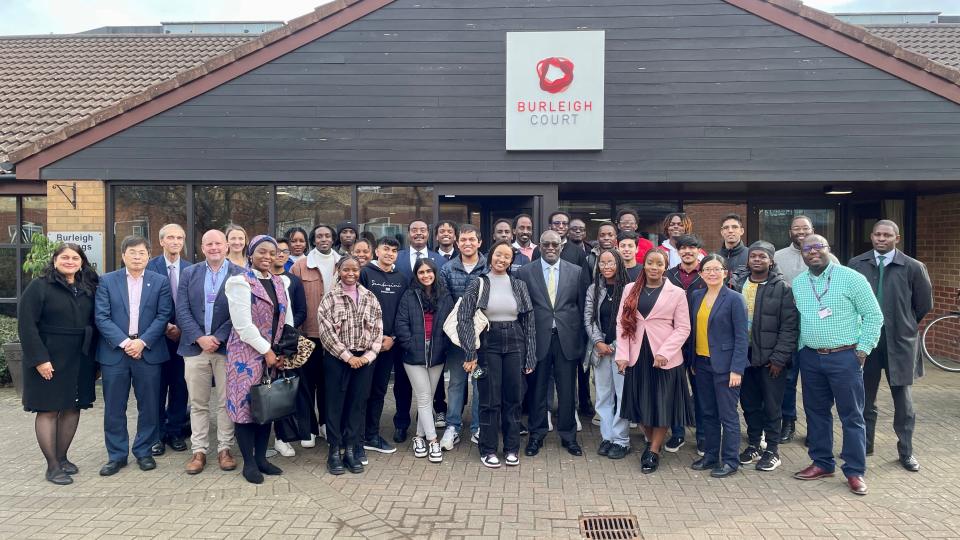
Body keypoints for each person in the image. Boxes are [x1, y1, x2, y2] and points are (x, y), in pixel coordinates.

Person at [792, 235, 882, 496]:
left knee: (851, 415)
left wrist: (864, 349)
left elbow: (874, 316)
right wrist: (801, 349)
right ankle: (822, 462)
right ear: (802, 254)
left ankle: (854, 470)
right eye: (807, 249)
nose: (813, 252)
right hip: (810, 357)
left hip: (845, 357)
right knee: (816, 412)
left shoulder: (851, 278)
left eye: (818, 247)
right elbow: (800, 319)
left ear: (828, 249)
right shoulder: (799, 283)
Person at [848, 220, 932, 472]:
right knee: (864, 397)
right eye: (877, 234)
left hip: (900, 342)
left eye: (887, 235)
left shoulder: (914, 267)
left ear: (898, 238)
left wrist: (904, 324)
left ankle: (906, 451)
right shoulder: (856, 264)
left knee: (903, 401)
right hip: (867, 342)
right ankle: (864, 446)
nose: (881, 239)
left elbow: (923, 304)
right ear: (871, 236)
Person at [18, 243, 99, 485]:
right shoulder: (40, 286)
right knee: (49, 409)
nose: (70, 261)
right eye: (65, 257)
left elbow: (95, 324)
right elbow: (27, 325)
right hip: (49, 357)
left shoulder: (88, 287)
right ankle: (52, 466)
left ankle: (62, 457)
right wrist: (40, 359)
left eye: (75, 258)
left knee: (73, 407)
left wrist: (95, 362)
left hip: (81, 357)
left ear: (82, 262)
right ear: (54, 261)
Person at [95, 235, 173, 476]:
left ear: (149, 256)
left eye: (142, 253)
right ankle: (117, 455)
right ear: (123, 256)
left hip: (147, 351)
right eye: (132, 252)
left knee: (149, 405)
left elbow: (163, 315)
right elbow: (102, 317)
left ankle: (144, 451)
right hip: (115, 353)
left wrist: (142, 342)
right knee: (114, 407)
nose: (137, 257)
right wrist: (125, 342)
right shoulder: (107, 281)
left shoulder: (160, 281)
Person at [456, 240, 537, 468]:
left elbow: (529, 321)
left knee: (514, 397)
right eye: (498, 255)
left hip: (515, 341)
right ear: (490, 256)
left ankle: (512, 448)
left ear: (512, 261)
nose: (501, 260)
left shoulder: (518, 285)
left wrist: (530, 355)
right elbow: (464, 317)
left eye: (507, 257)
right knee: (489, 398)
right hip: (487, 342)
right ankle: (488, 449)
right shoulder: (477, 283)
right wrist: (470, 352)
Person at [224, 235, 294, 484]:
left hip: (273, 355)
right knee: (246, 410)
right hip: (246, 355)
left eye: (271, 252)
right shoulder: (239, 282)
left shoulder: (280, 282)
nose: (267, 257)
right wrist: (267, 351)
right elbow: (243, 325)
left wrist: (286, 349)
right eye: (261, 252)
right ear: (250, 254)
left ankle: (263, 458)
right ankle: (249, 463)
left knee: (266, 407)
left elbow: (287, 320)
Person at [616, 249, 692, 473]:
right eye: (650, 263)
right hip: (636, 354)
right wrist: (622, 354)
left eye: (660, 264)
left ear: (665, 267)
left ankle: (654, 450)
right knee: (640, 403)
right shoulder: (630, 289)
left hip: (664, 358)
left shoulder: (677, 293)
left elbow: (683, 327)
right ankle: (651, 440)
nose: (654, 267)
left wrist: (665, 352)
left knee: (661, 404)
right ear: (644, 264)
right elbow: (622, 324)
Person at [176, 230, 244, 475]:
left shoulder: (240, 274)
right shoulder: (189, 273)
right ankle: (199, 451)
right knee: (198, 403)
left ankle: (225, 449)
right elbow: (181, 309)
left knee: (226, 402)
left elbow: (240, 311)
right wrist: (200, 337)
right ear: (202, 247)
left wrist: (218, 337)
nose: (214, 247)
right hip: (194, 348)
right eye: (209, 244)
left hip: (226, 348)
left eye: (218, 243)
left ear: (227, 246)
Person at [518, 230, 590, 457]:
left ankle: (569, 436)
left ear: (561, 246)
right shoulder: (525, 272)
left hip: (566, 339)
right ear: (539, 246)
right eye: (546, 244)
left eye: (555, 244)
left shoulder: (577, 272)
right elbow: (521, 310)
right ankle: (536, 435)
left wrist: (580, 340)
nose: (550, 248)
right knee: (537, 391)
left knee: (567, 391)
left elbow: (581, 308)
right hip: (537, 338)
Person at [729, 241, 798, 472]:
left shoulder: (782, 288)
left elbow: (789, 327)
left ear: (771, 261)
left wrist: (779, 358)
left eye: (762, 257)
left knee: (772, 405)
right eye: (753, 256)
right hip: (744, 356)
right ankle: (755, 443)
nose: (757, 260)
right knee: (749, 404)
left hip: (771, 359)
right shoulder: (737, 284)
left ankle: (773, 450)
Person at [317, 255, 384, 475]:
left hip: (364, 360)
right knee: (335, 405)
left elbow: (378, 331)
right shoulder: (329, 299)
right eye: (346, 269)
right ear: (338, 270)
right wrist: (348, 357)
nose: (351, 274)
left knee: (357, 405)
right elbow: (326, 333)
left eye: (355, 270)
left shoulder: (370, 297)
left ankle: (351, 450)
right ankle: (335, 451)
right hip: (337, 361)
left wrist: (367, 356)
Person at [774, 215, 835, 445]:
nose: (801, 232)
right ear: (790, 231)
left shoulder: (831, 259)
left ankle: (815, 428)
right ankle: (788, 421)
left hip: (818, 332)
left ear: (813, 229)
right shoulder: (778, 257)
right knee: (788, 380)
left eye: (805, 228)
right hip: (789, 330)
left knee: (815, 384)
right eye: (796, 229)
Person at [688, 255, 749, 478]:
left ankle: (731, 461)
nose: (712, 273)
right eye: (707, 269)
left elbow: (742, 337)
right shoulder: (696, 296)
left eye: (717, 269)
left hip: (726, 367)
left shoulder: (735, 299)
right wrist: (693, 361)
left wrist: (737, 369)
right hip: (701, 364)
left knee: (728, 415)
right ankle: (711, 456)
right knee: (707, 413)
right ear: (701, 273)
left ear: (725, 272)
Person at [395, 258, 454, 463]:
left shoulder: (445, 296)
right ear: (416, 275)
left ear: (435, 273)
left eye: (429, 271)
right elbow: (401, 323)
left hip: (437, 353)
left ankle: (418, 437)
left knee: (427, 396)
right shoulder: (409, 296)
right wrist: (410, 344)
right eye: (421, 272)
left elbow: (450, 322)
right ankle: (433, 441)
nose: (426, 275)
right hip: (413, 355)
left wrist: (444, 345)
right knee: (423, 397)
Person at [290, 223, 341, 449]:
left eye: (327, 235)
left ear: (333, 239)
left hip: (335, 336)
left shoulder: (342, 264)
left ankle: (325, 425)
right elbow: (291, 301)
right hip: (308, 334)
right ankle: (308, 428)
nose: (323, 239)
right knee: (307, 384)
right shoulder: (300, 267)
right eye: (319, 236)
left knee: (329, 385)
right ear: (314, 239)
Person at [438, 225, 487, 449]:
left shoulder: (488, 267)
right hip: (458, 342)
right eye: (463, 240)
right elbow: (445, 304)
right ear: (457, 243)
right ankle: (453, 426)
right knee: (457, 382)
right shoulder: (447, 270)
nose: (467, 243)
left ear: (479, 242)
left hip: (482, 341)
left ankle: (478, 427)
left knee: (479, 381)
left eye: (471, 239)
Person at [359, 237, 408, 454]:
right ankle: (356, 436)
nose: (389, 253)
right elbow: (357, 309)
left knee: (379, 390)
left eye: (394, 250)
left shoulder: (401, 278)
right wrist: (373, 339)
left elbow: (404, 311)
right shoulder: (365, 273)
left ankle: (371, 435)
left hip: (389, 345)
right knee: (362, 391)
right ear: (376, 251)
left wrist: (394, 337)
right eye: (386, 249)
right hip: (365, 345)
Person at [146, 223, 191, 456]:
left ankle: (175, 431)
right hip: (156, 339)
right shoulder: (149, 266)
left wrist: (182, 329)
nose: (175, 242)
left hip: (183, 339)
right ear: (161, 241)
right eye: (171, 237)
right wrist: (164, 327)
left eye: (180, 238)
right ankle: (156, 435)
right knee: (157, 388)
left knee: (180, 387)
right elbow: (143, 303)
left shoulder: (192, 268)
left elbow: (196, 305)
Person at [584, 248, 632, 460]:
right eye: (602, 263)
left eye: (610, 262)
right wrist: (599, 342)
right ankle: (607, 437)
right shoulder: (594, 289)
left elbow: (633, 321)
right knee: (603, 395)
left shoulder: (630, 289)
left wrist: (616, 343)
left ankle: (621, 440)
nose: (606, 267)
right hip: (601, 351)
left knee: (622, 396)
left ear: (619, 263)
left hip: (622, 351)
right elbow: (589, 318)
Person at [664, 234, 707, 454]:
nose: (687, 251)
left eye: (692, 248)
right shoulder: (668, 275)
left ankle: (702, 435)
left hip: (699, 342)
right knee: (674, 390)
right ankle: (677, 433)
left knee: (700, 391)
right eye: (683, 248)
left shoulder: (707, 274)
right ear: (678, 251)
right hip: (673, 341)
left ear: (699, 251)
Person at [270, 237, 310, 458]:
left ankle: (282, 437)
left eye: (284, 252)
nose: (279, 254)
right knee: (264, 389)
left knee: (284, 390)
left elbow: (302, 310)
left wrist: (288, 333)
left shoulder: (293, 281)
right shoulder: (257, 279)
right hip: (264, 343)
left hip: (288, 343)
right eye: (276, 250)